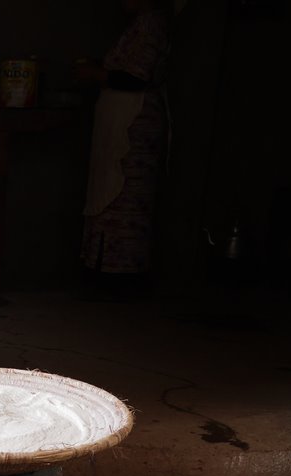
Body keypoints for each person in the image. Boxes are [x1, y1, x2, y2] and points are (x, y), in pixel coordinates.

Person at [77, 0, 170, 291]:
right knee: (109, 198)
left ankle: (118, 280)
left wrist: (95, 74)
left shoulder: (152, 23)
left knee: (123, 198)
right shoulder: (139, 24)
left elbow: (135, 77)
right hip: (120, 119)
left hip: (134, 125)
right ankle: (103, 273)